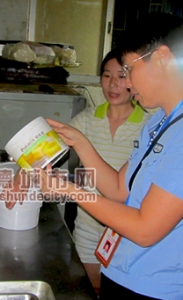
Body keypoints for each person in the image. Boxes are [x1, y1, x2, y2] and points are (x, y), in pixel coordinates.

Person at [33, 13, 183, 299]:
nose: (125, 83)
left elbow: (145, 230)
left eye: (128, 69)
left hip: (154, 288)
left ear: (162, 57)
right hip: (120, 270)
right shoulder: (159, 122)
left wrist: (69, 190)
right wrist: (81, 142)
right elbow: (117, 189)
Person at [68, 49, 151, 296]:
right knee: (92, 289)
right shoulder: (85, 120)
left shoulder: (150, 125)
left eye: (122, 75)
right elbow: (46, 148)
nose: (113, 84)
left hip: (127, 231)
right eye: (106, 76)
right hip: (87, 226)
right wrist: (22, 173)